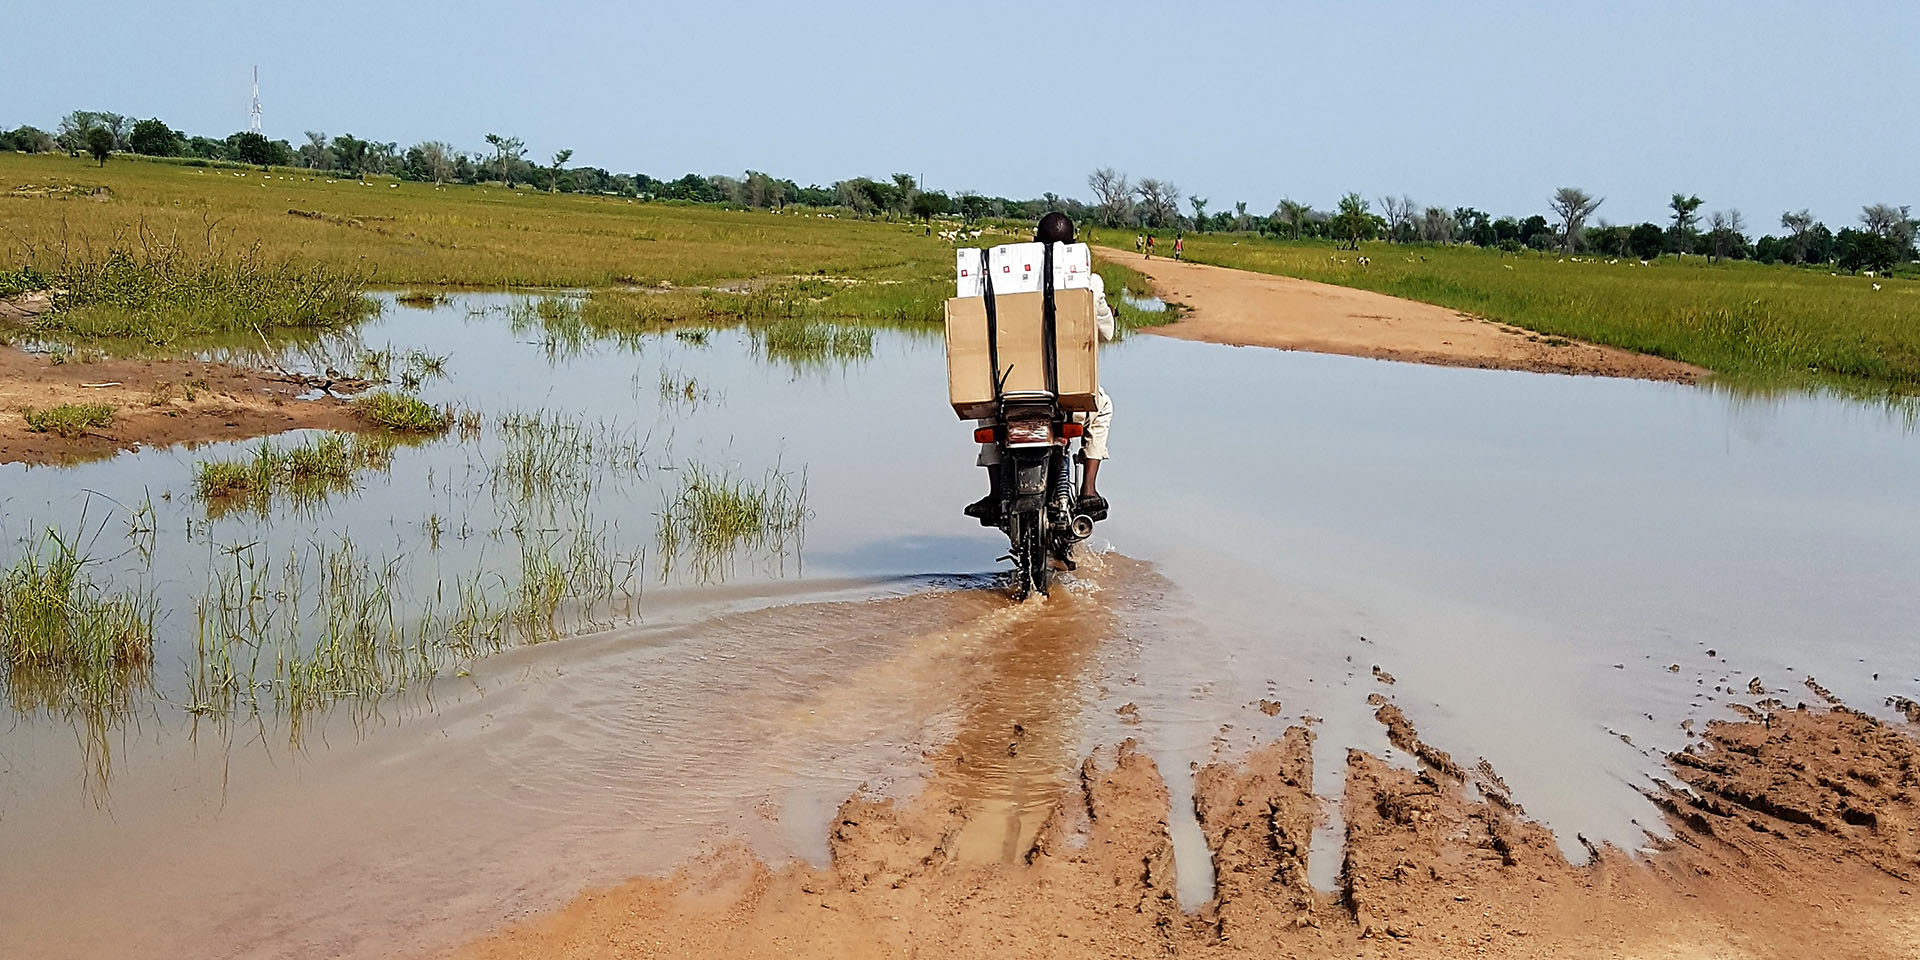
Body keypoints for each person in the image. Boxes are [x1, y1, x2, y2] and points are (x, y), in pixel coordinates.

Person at [965, 212, 1114, 524]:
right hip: (1067, 396)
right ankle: (1088, 489)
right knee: (1102, 410)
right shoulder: (1090, 282)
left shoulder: (1003, 279)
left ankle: (995, 494)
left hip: (1009, 392)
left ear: (1034, 244)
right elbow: (1106, 332)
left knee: (986, 411)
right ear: (1073, 247)